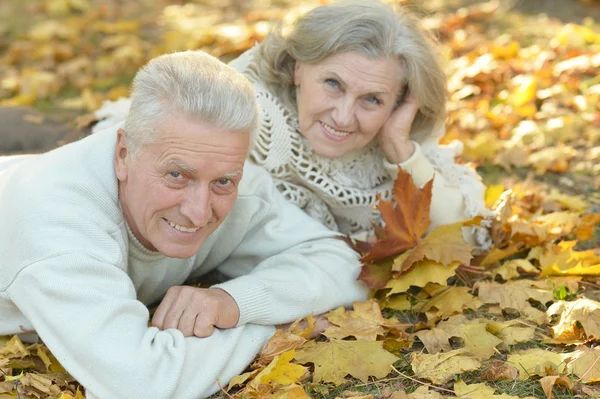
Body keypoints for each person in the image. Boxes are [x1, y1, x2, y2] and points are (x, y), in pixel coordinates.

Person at [0, 50, 368, 398]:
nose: (198, 212)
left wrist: (233, 302)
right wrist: (273, 330)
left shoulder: (224, 172)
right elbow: (140, 382)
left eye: (223, 181)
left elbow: (344, 264)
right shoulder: (56, 224)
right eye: (176, 175)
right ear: (124, 154)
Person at [93, 0, 492, 247]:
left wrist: (399, 148)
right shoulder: (249, 102)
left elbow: (463, 235)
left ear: (400, 102)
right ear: (299, 68)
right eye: (333, 84)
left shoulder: (394, 144)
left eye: (372, 99)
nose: (343, 116)